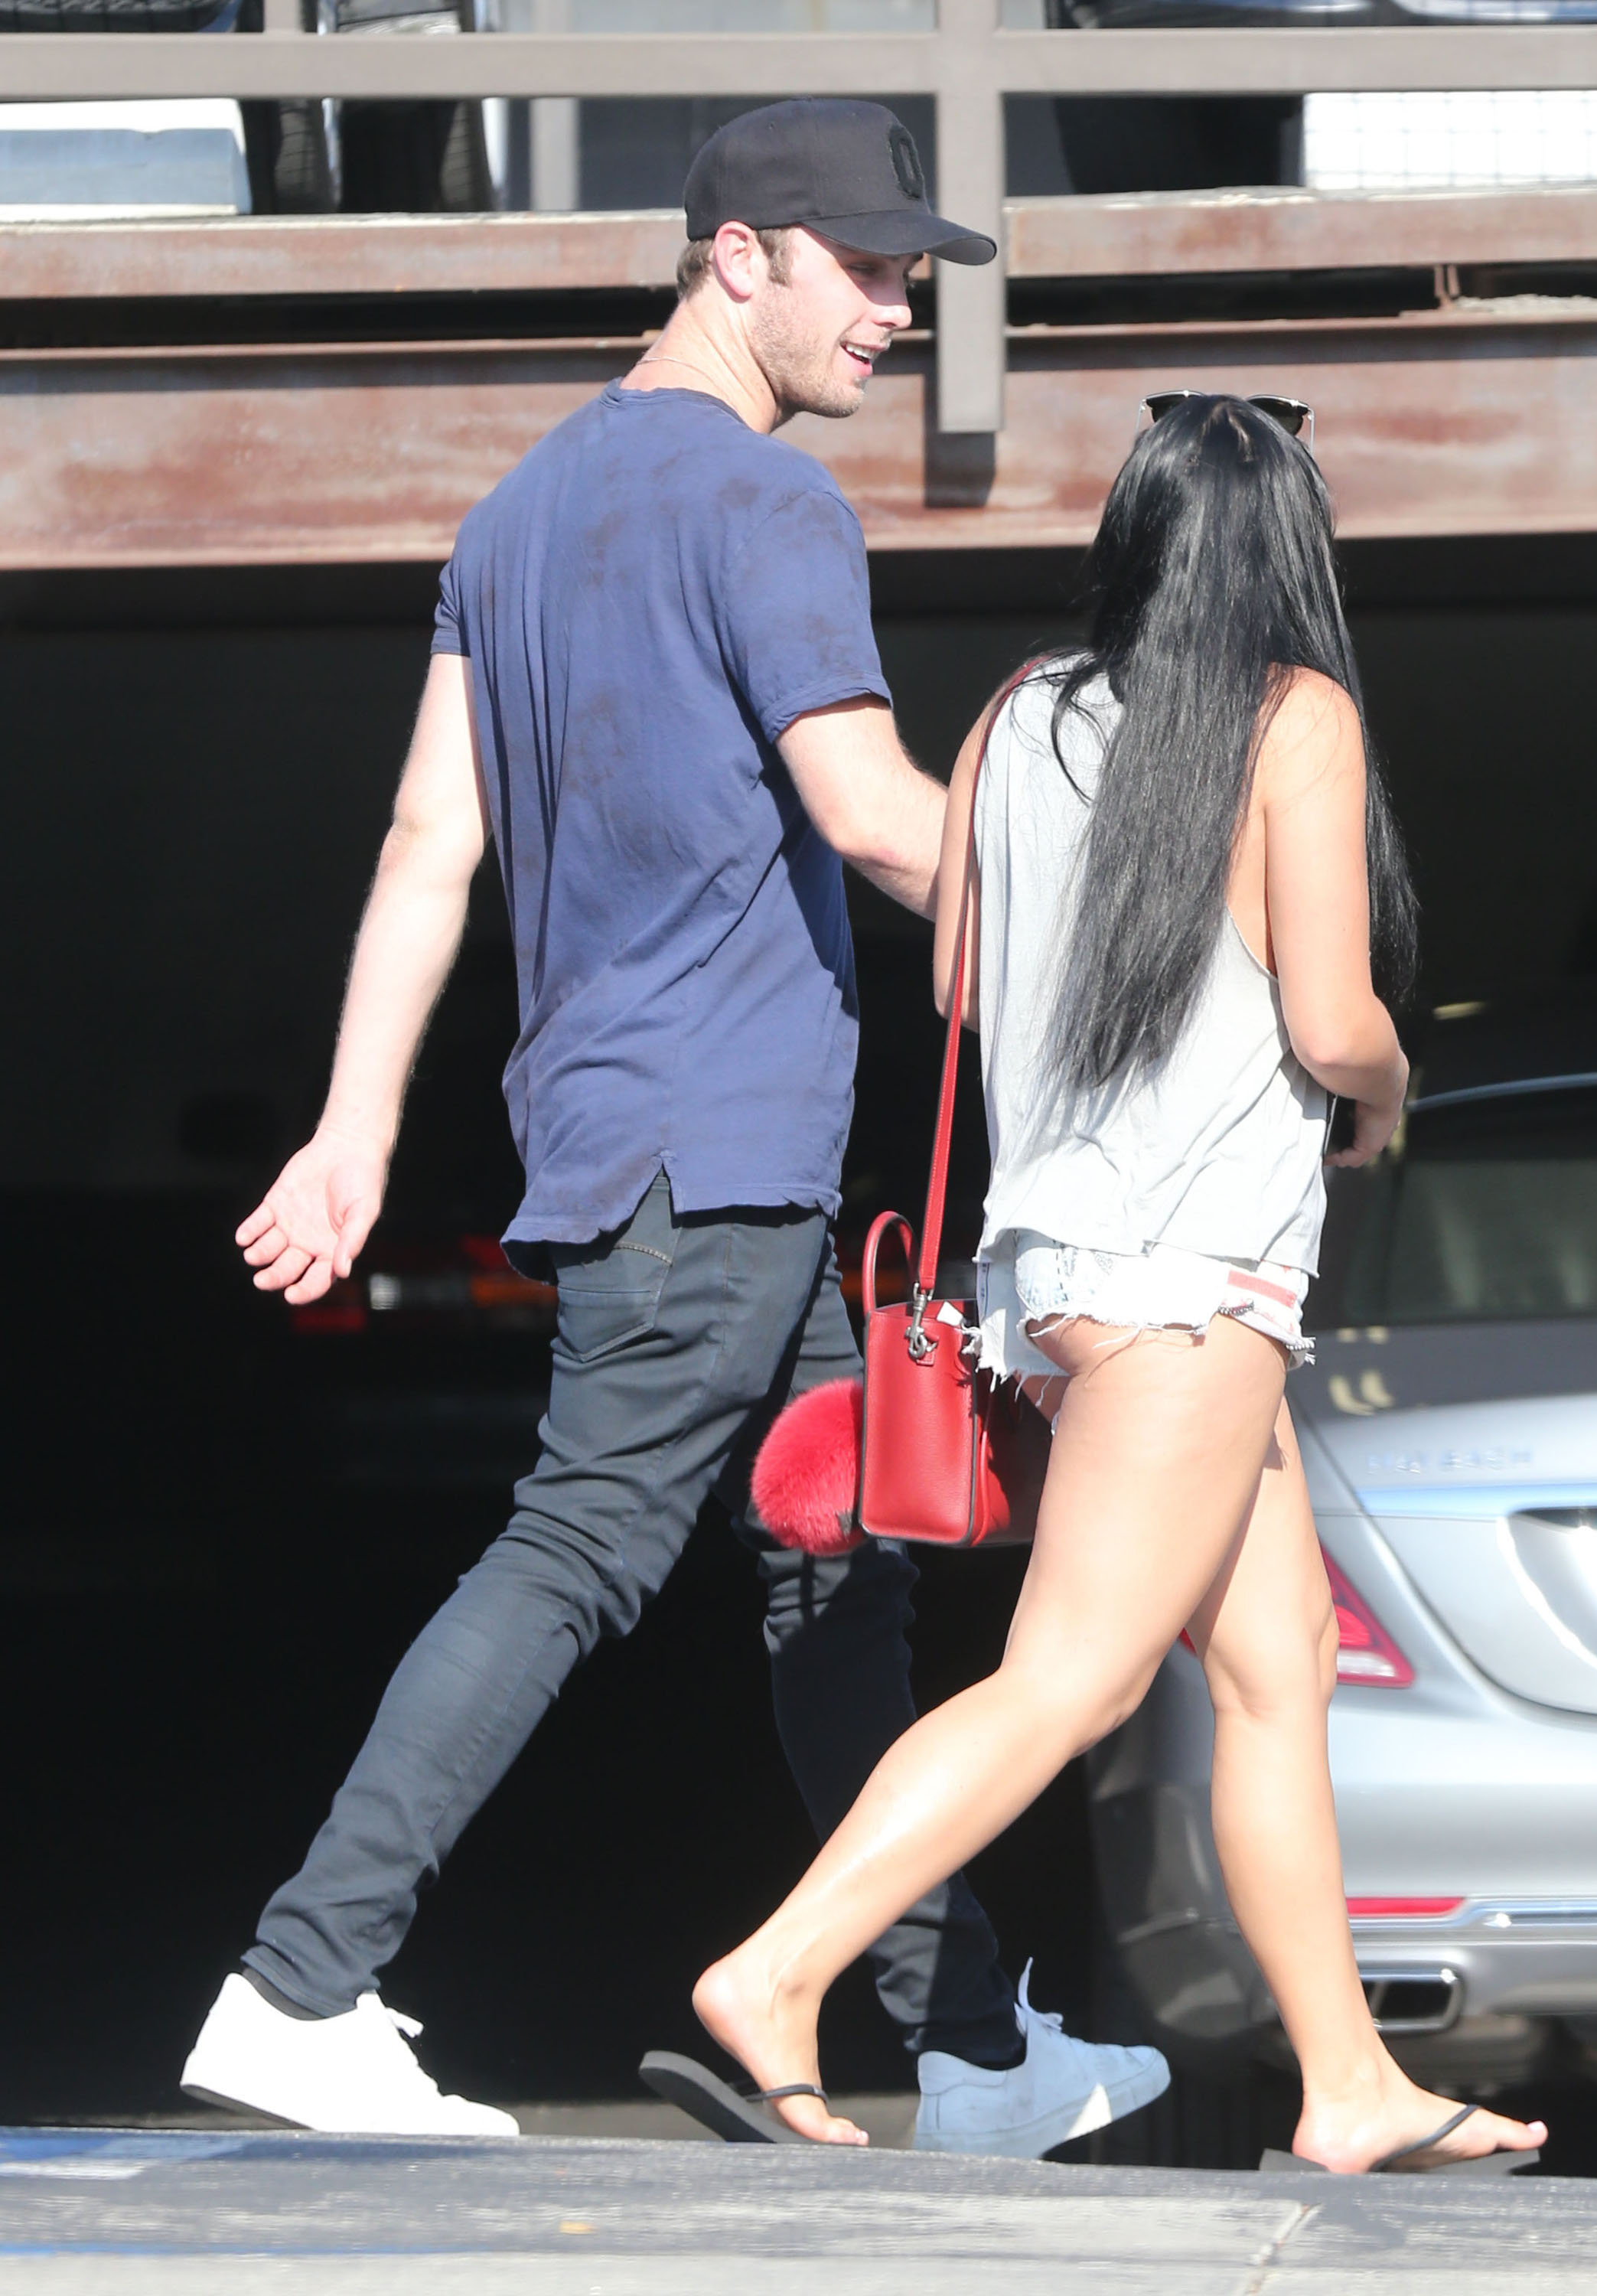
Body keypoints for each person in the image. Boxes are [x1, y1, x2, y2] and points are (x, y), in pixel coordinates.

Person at [179, 96, 1168, 2156]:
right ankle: (301, 1985)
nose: (894, 311)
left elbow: (429, 840)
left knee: (837, 1571)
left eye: (907, 274)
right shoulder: (763, 502)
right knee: (577, 1545)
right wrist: (1134, 953)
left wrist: (353, 1132)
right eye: (864, 269)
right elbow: (870, 813)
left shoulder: (514, 515)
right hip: (709, 1151)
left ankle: (971, 2045)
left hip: (673, 1151)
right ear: (738, 256)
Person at [689, 393, 1550, 2172]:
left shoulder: (1021, 710)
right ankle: (776, 1973)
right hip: (1193, 1282)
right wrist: (1390, 1091)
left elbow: (962, 982)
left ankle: (1348, 2083)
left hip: (1069, 1271)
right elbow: (1335, 1019)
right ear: (1288, 549)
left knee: (1277, 1668)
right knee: (1072, 1679)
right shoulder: (1293, 717)